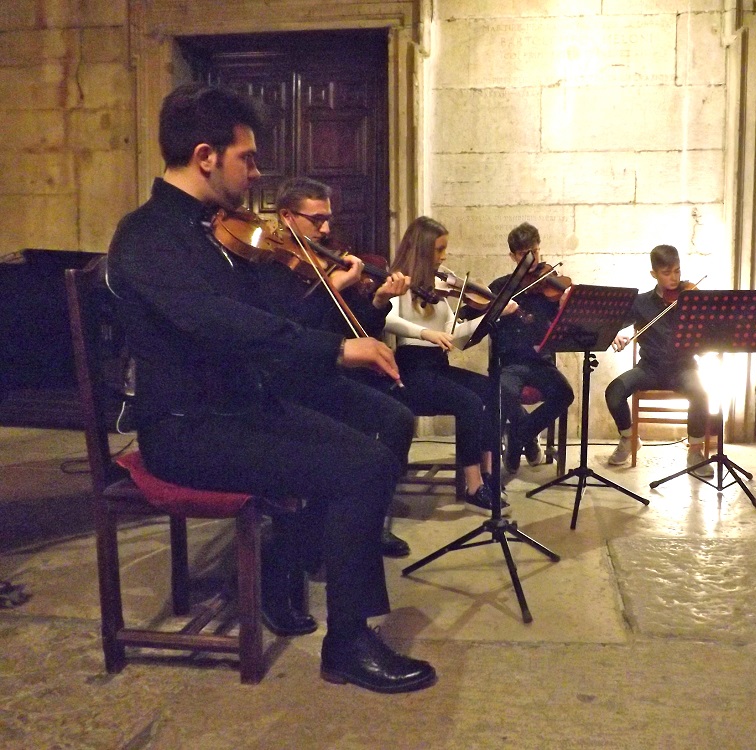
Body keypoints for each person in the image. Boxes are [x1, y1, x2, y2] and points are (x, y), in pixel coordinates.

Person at [106, 83, 435, 693]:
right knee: (360, 466)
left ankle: (306, 583)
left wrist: (331, 288)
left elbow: (270, 311)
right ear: (206, 156)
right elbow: (221, 324)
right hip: (187, 430)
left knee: (373, 443)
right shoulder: (148, 237)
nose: (256, 173)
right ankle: (347, 644)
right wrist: (337, 348)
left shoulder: (213, 234)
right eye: (248, 158)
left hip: (239, 410)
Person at [266, 176, 414, 558]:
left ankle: (370, 521)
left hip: (325, 377)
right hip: (286, 383)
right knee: (342, 444)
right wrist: (332, 286)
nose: (326, 228)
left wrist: (379, 299)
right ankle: (309, 536)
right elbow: (289, 329)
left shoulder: (318, 263)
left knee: (398, 418)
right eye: (316, 219)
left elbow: (356, 327)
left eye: (328, 218)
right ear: (287, 216)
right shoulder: (269, 265)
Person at [383, 216, 517, 515]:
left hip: (438, 366)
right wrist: (424, 332)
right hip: (412, 370)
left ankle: (488, 470)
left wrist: (491, 316)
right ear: (421, 249)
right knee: (468, 402)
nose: (444, 257)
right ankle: (472, 485)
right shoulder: (399, 281)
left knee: (495, 391)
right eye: (439, 249)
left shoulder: (441, 288)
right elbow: (389, 319)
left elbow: (453, 336)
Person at [605, 245, 713, 476]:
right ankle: (629, 438)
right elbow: (615, 324)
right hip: (649, 369)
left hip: (683, 367)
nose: (674, 278)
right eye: (666, 273)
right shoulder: (641, 302)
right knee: (614, 392)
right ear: (653, 274)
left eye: (677, 271)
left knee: (701, 393)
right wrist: (615, 333)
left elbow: (706, 333)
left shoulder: (690, 298)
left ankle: (695, 450)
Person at [489, 222, 574, 477]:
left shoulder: (549, 286)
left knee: (564, 394)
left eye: (536, 251)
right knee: (503, 392)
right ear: (513, 256)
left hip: (540, 361)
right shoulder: (499, 288)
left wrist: (565, 304)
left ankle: (518, 436)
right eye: (525, 255)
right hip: (510, 362)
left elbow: (566, 322)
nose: (533, 260)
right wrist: (498, 311)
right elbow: (483, 323)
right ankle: (526, 434)